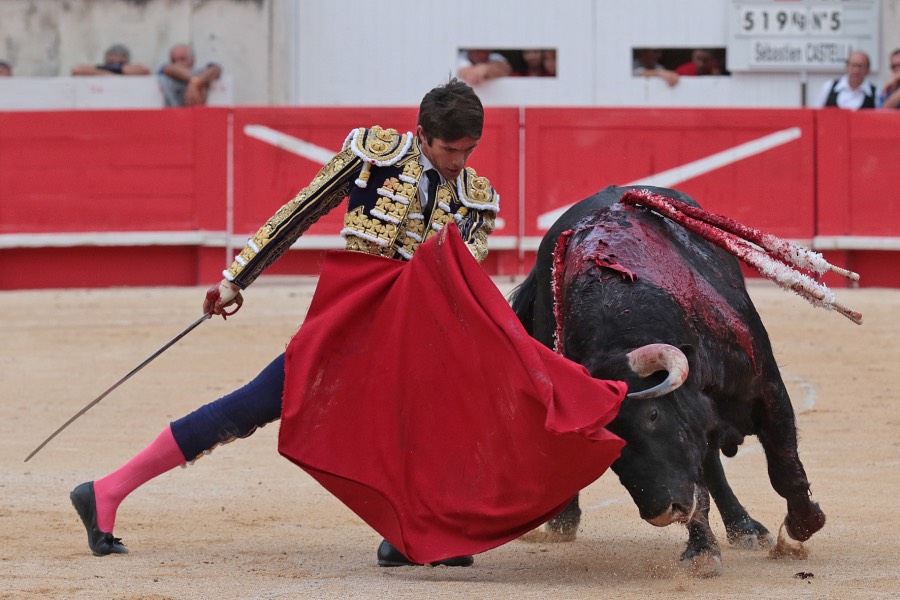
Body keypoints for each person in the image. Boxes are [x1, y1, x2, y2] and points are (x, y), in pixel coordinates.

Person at [158, 43, 222, 107]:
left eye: (182, 59)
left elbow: (216, 69)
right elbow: (169, 69)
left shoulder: (199, 72)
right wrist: (195, 81)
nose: (177, 63)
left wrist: (195, 83)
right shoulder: (165, 72)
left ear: (192, 61)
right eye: (173, 60)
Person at [71, 44, 150, 76]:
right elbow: (77, 70)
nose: (116, 59)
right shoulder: (99, 69)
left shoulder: (134, 70)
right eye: (113, 56)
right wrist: (106, 73)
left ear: (126, 58)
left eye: (120, 56)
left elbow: (144, 70)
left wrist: (117, 70)